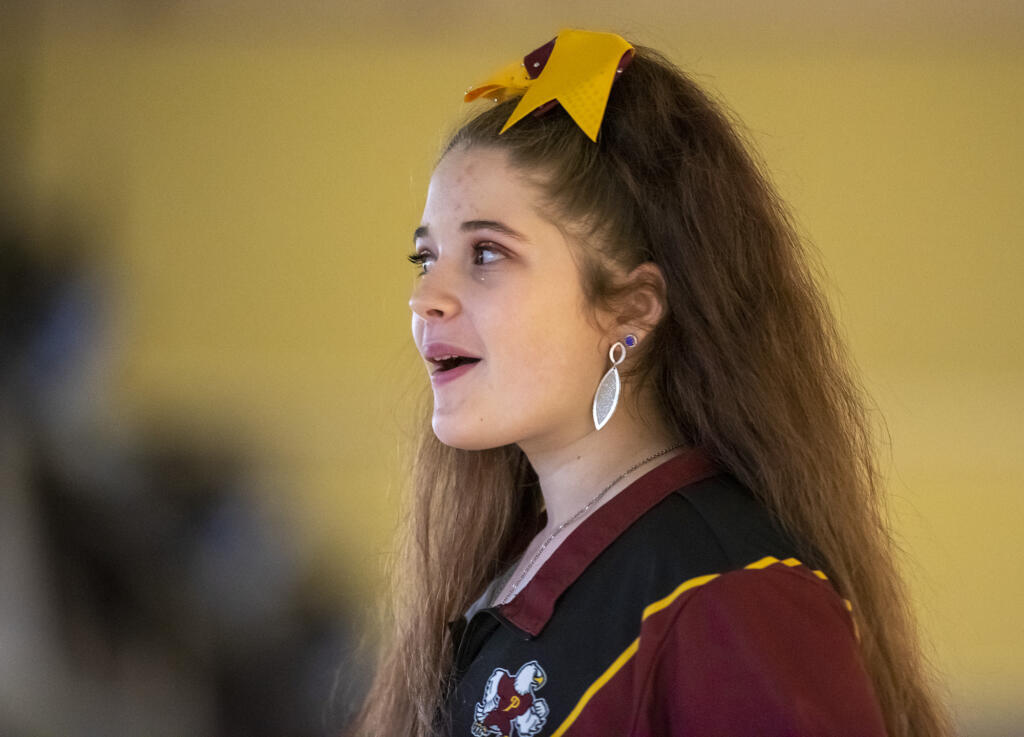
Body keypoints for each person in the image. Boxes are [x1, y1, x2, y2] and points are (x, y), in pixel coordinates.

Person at [349, 29, 948, 737]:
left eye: (486, 253)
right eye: (426, 258)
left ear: (631, 310)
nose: (427, 299)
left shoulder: (730, 590)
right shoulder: (519, 573)